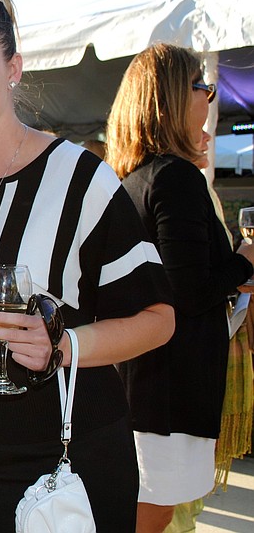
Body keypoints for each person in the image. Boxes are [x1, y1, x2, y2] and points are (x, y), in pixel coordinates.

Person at [0, 0, 175, 532]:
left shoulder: (81, 179)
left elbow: (158, 319)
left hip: (64, 461)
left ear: (13, 68)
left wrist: (64, 345)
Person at [105, 43, 254, 533]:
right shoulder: (175, 178)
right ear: (171, 96)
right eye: (201, 87)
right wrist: (245, 261)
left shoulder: (135, 178)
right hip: (168, 388)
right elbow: (188, 289)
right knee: (152, 514)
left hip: (143, 383)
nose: (208, 99)